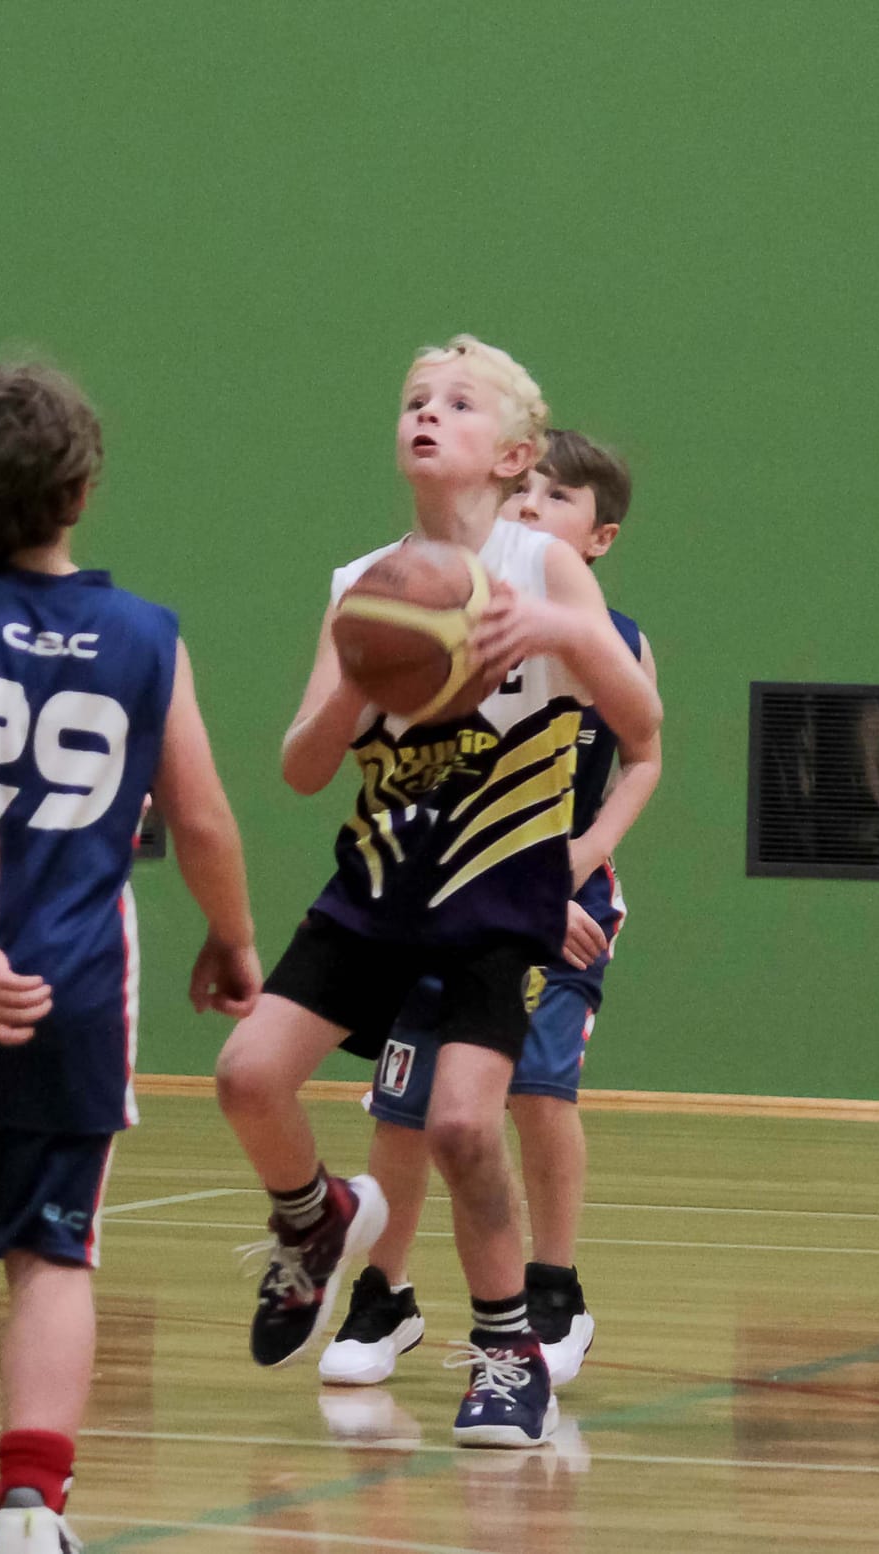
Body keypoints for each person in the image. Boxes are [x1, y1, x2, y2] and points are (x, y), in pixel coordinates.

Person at [214, 337, 662, 1448]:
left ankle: (508, 1350)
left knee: (464, 1128)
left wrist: (563, 631)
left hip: (493, 896)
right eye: (414, 399)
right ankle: (314, 1224)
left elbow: (641, 731)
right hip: (375, 882)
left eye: (456, 404)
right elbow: (302, 767)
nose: (426, 414)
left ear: (511, 454)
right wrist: (357, 677)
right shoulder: (361, 586)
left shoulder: (547, 571)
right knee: (243, 1076)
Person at [0, 364, 261, 1553]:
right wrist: (232, 938)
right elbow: (199, 818)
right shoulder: (146, 636)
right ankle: (33, 1502)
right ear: (81, 485)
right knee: (52, 1249)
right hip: (76, 980)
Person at [322, 429, 661, 1391]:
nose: (529, 511)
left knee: (535, 1093)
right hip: (436, 891)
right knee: (403, 1104)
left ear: (598, 539)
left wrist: (569, 869)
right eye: (525, 496)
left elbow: (640, 763)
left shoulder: (609, 638)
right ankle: (383, 1297)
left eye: (557, 501)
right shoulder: (432, 624)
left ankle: (553, 1288)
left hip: (557, 894)